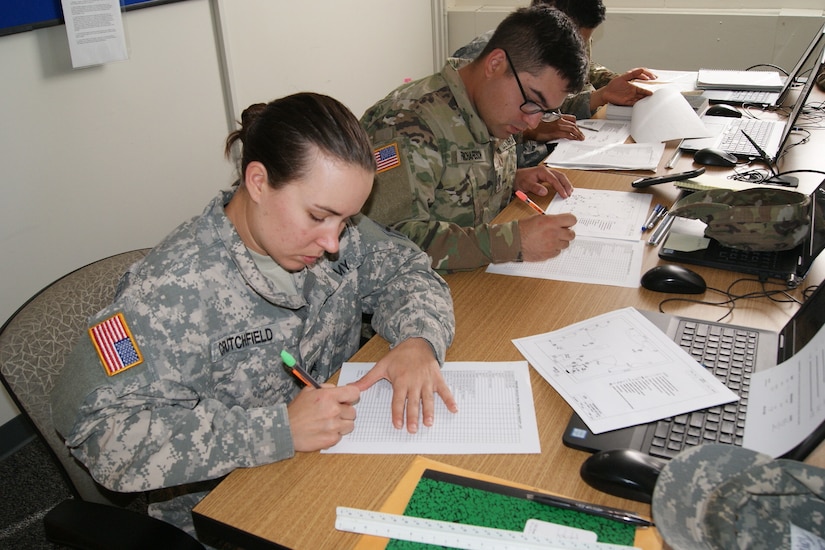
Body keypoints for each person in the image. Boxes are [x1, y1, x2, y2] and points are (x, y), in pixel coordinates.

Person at [50, 92, 456, 541]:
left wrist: (418, 340)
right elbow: (101, 435)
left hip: (331, 469)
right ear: (258, 182)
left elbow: (408, 269)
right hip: (233, 516)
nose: (334, 242)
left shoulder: (332, 236)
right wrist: (277, 429)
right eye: (320, 216)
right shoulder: (167, 292)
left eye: (345, 221)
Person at [361, 5, 588, 272]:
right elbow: (386, 244)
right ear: (495, 64)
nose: (533, 122)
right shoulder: (405, 124)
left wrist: (512, 179)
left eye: (544, 110)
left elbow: (454, 184)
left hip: (477, 279)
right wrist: (509, 242)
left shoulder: (490, 108)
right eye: (532, 102)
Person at [453, 0, 657, 167]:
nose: (576, 47)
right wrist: (535, 133)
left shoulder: (557, 43)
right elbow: (479, 154)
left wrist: (603, 92)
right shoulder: (490, 55)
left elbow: (550, 98)